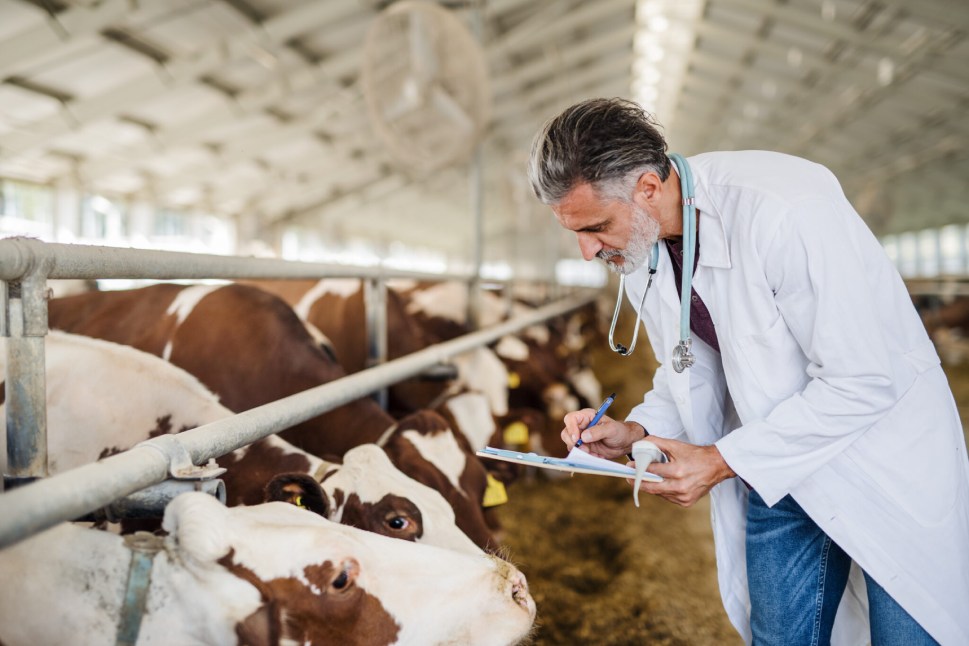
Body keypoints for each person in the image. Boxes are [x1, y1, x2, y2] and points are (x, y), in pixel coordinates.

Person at [528, 97, 969, 645]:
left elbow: (862, 379)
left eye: (596, 226)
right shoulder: (642, 245)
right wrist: (635, 431)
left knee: (907, 634)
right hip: (772, 465)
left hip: (877, 460)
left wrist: (718, 459)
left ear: (646, 187)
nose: (586, 250)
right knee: (779, 637)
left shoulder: (783, 208)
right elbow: (687, 365)